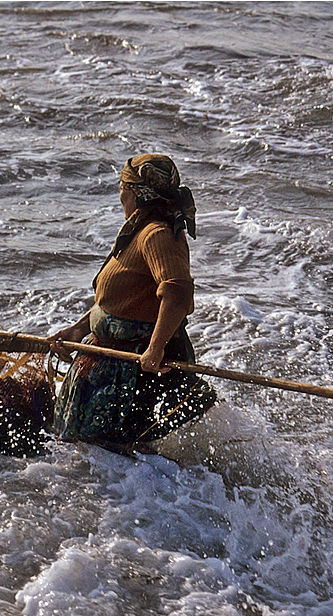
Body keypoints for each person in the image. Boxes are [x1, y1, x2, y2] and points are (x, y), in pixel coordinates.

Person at [48, 153, 217, 456]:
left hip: (126, 371)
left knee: (115, 456)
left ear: (136, 193)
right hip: (107, 361)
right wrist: (77, 330)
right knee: (97, 457)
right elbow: (121, 300)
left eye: (122, 188)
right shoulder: (140, 230)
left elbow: (177, 294)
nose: (120, 196)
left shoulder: (158, 235)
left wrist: (155, 349)